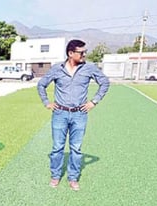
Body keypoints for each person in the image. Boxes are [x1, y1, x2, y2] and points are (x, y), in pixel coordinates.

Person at [37, 39, 110, 191]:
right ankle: (55, 176)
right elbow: (41, 84)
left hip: (79, 114)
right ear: (71, 53)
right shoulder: (57, 69)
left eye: (85, 52)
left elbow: (105, 82)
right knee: (57, 147)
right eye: (81, 52)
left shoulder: (89, 68)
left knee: (76, 148)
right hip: (60, 113)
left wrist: (93, 102)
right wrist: (46, 102)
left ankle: (73, 178)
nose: (84, 55)